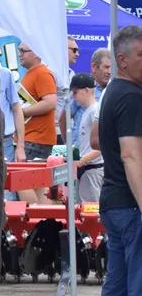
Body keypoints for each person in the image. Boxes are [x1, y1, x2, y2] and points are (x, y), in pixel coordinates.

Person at [95, 25, 142, 296]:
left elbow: (97, 138)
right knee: (136, 287)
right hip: (130, 203)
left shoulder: (113, 92)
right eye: (141, 55)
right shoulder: (130, 96)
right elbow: (130, 155)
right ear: (122, 60)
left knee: (117, 285)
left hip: (113, 203)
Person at [18, 42, 59, 160]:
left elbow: (50, 103)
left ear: (36, 53)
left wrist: (22, 112)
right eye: (19, 50)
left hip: (36, 140)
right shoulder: (33, 73)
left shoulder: (42, 74)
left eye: (23, 51)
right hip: (31, 140)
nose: (19, 54)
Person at [62, 47, 112, 141]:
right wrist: (68, 144)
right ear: (94, 67)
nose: (109, 72)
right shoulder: (82, 87)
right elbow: (64, 117)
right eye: (106, 67)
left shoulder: (113, 90)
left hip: (102, 150)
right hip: (80, 149)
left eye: (112, 67)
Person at [69, 73, 103, 204]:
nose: (74, 97)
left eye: (76, 92)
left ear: (87, 90)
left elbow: (103, 145)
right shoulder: (87, 111)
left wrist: (81, 161)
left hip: (93, 169)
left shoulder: (94, 111)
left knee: (91, 213)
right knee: (83, 209)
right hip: (87, 168)